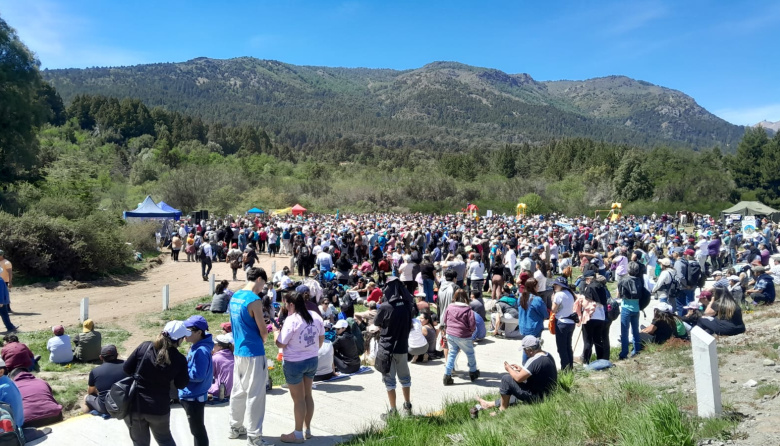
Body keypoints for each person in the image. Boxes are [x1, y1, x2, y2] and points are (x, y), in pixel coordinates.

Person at [124, 321, 189, 446]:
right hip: (159, 408)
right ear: (179, 340)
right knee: (165, 440)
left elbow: (127, 369)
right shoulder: (179, 359)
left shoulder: (144, 347)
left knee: (140, 443)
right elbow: (181, 384)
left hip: (135, 405)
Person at [228, 267, 273, 446]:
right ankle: (254, 436)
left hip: (239, 349)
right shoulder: (254, 300)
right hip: (254, 350)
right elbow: (263, 330)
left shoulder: (235, 296)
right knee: (256, 394)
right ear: (260, 279)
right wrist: (265, 338)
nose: (264, 287)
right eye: (264, 282)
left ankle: (235, 427)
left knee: (238, 390)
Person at [276, 290, 324, 443]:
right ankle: (307, 429)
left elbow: (281, 343)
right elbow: (320, 339)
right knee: (308, 395)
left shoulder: (292, 320)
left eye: (286, 305)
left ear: (291, 304)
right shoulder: (315, 316)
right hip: (312, 360)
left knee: (298, 400)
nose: (286, 308)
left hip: (294, 363)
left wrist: (276, 332)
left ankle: (297, 434)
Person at [475, 335, 557, 413]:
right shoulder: (547, 355)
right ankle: (489, 404)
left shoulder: (534, 360)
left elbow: (518, 378)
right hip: (548, 394)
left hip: (537, 397)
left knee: (506, 380)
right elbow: (537, 372)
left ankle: (502, 410)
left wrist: (509, 369)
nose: (525, 352)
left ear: (530, 350)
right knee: (512, 388)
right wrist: (521, 370)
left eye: (525, 350)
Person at [373, 276, 414, 418]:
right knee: (405, 378)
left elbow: (377, 322)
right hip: (402, 347)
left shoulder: (385, 306)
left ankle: (393, 411)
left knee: (390, 381)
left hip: (388, 348)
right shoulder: (408, 304)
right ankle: (407, 406)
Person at [179, 316, 214, 446]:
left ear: (199, 332)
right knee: (197, 430)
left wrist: (180, 372)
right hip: (193, 395)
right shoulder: (197, 346)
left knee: (197, 431)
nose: (184, 334)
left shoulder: (201, 351)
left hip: (193, 397)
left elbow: (198, 376)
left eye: (188, 331)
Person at [442, 289, 479, 385]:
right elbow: (472, 325)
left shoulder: (449, 307)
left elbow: (445, 320)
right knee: (470, 353)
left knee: (452, 354)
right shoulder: (468, 309)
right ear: (466, 297)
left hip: (450, 333)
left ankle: (447, 375)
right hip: (463, 335)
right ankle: (473, 372)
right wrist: (471, 331)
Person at [573, 271, 606, 364]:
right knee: (598, 340)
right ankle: (601, 361)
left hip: (590, 317)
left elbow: (586, 303)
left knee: (588, 341)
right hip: (601, 317)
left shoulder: (590, 287)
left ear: (589, 279)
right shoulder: (601, 286)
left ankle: (586, 362)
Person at [84, 345, 126, 414]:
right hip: (128, 404)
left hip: (107, 408)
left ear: (101, 357)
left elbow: (90, 392)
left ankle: (86, 417)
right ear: (117, 355)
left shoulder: (95, 371)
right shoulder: (128, 365)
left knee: (87, 397)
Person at [617, 262, 647, 360]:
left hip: (626, 307)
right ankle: (636, 350)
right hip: (636, 308)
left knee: (624, 331)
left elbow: (619, 295)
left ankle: (624, 353)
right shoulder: (640, 280)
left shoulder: (623, 280)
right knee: (635, 330)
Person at [550, 276, 575, 371]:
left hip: (561, 322)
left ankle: (565, 369)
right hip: (570, 322)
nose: (554, 286)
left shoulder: (559, 295)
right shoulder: (570, 293)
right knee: (568, 346)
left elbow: (553, 309)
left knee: (561, 348)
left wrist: (553, 300)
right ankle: (570, 368)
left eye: (555, 284)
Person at [208, 334, 235, 400]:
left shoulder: (215, 358)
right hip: (234, 390)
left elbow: (209, 375)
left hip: (221, 391)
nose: (212, 346)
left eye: (214, 345)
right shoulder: (233, 355)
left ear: (220, 347)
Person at [0, 359, 23, 427]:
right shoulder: (7, 382)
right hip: (17, 425)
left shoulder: (3, 387)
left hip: (8, 429)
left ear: (1, 371)